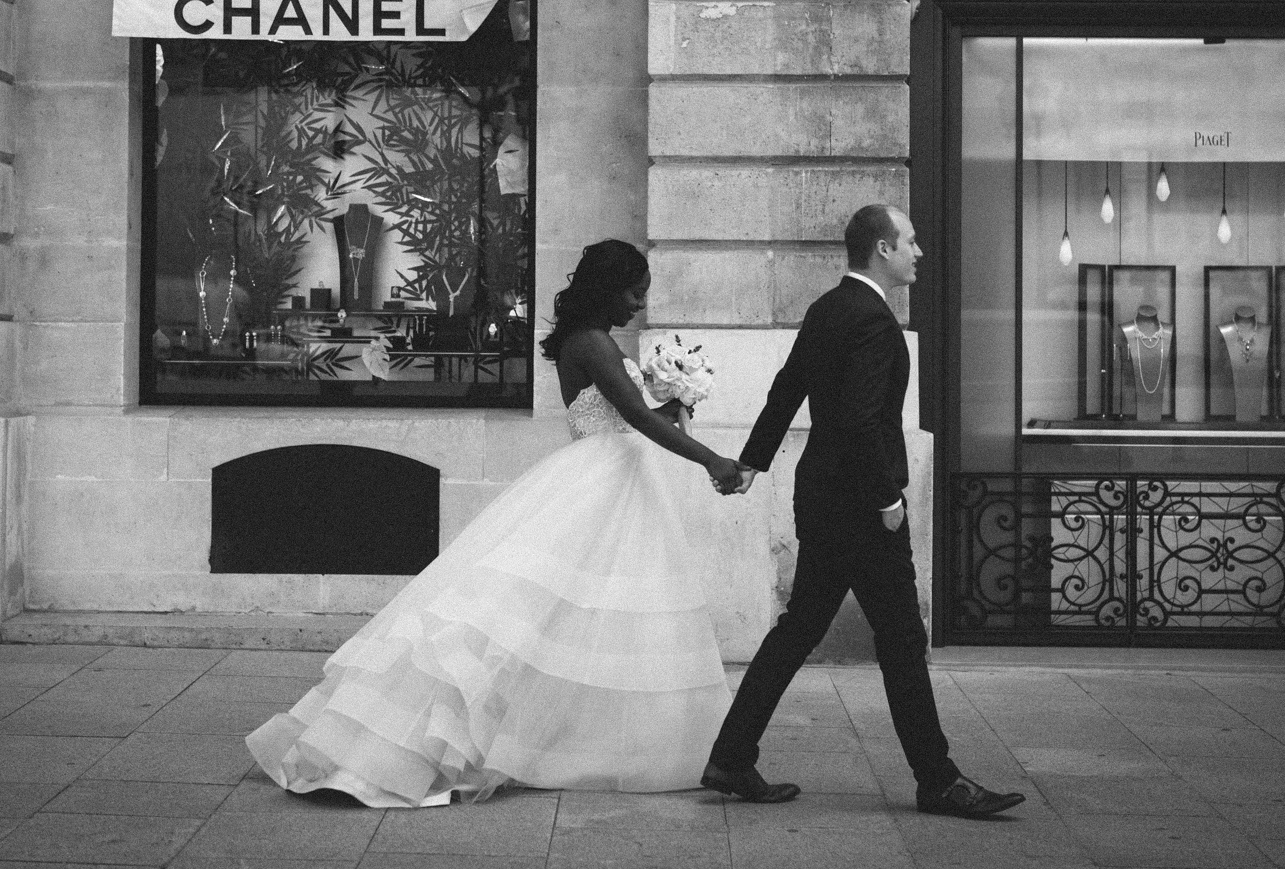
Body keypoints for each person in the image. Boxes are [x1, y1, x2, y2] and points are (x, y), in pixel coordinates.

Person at [246, 239, 753, 806]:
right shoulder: (593, 344)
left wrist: (677, 402)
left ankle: (574, 740)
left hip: (609, 475)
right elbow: (631, 416)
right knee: (545, 615)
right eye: (635, 291)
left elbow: (632, 415)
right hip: (601, 479)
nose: (639, 303)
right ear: (607, 289)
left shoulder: (591, 342)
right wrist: (710, 458)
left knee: (573, 619)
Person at [700, 205, 1026, 819]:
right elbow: (860, 419)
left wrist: (752, 463)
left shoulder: (828, 308)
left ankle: (731, 755)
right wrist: (888, 501)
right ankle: (938, 780)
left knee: (801, 628)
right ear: (882, 248)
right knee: (901, 638)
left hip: (819, 492)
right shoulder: (874, 322)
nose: (919, 252)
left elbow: (786, 388)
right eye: (910, 240)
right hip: (859, 504)